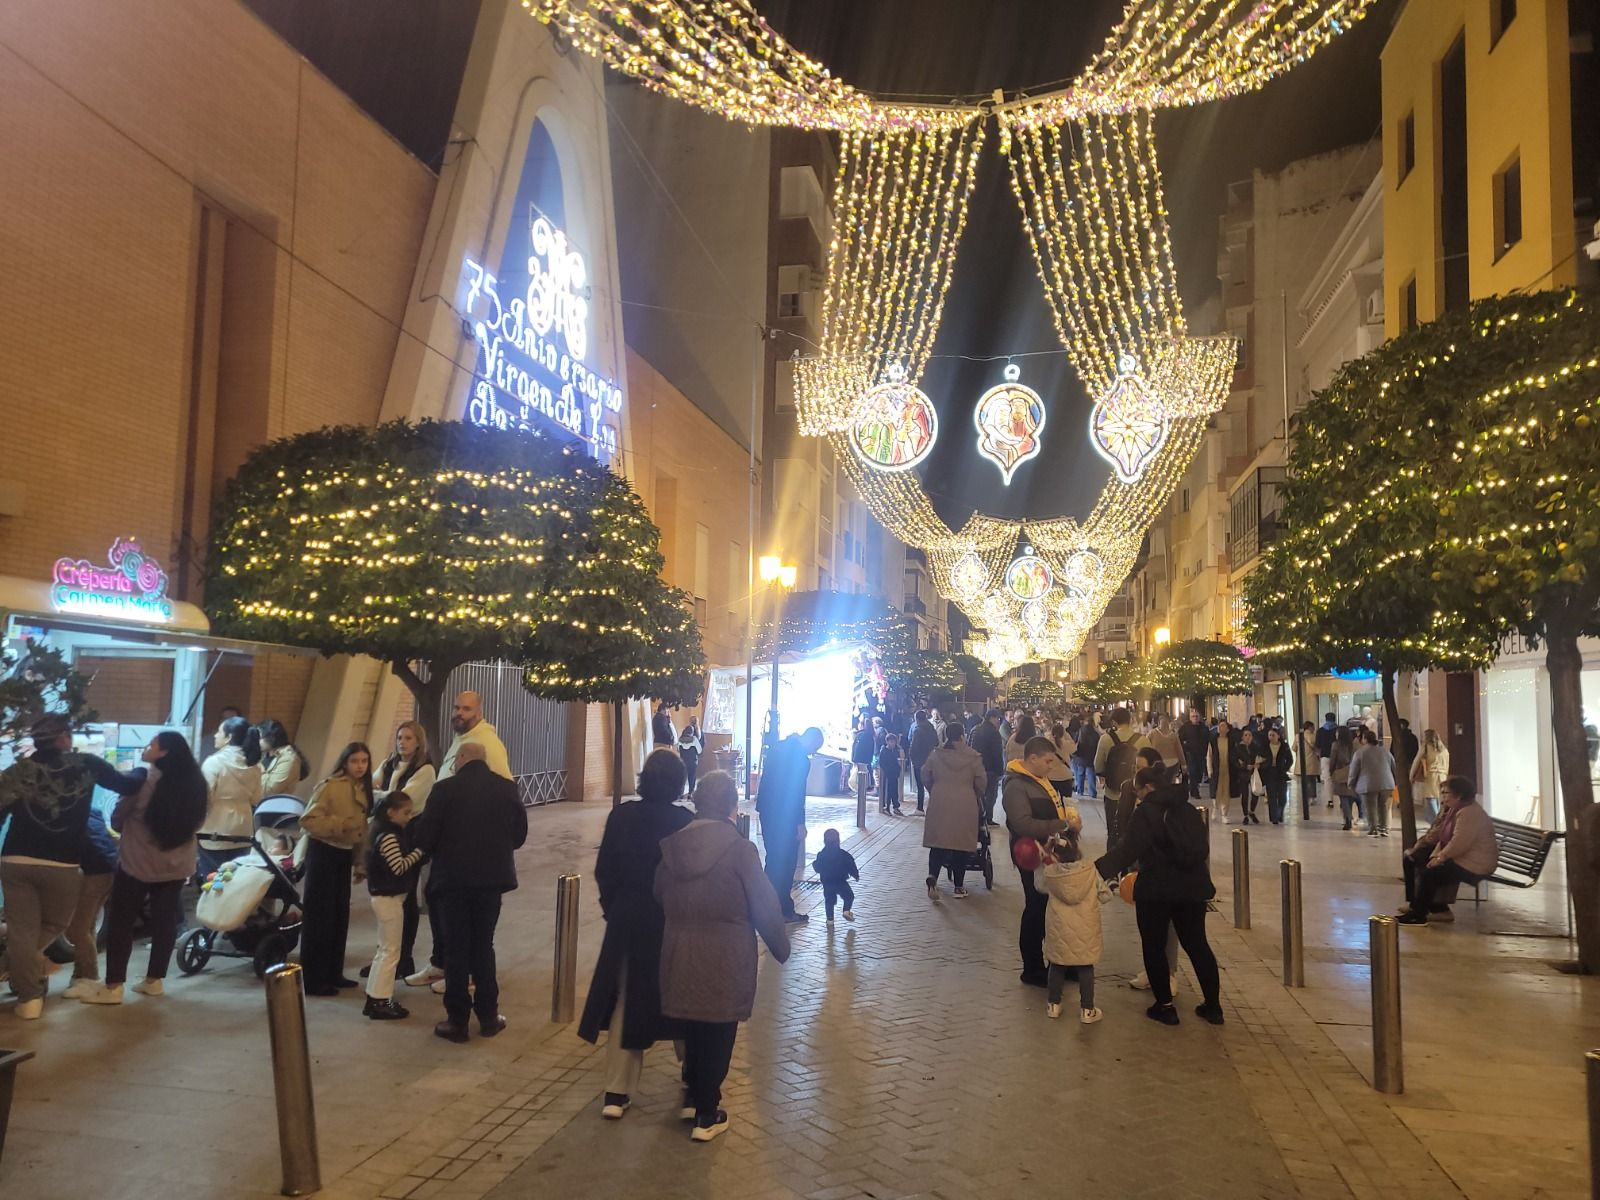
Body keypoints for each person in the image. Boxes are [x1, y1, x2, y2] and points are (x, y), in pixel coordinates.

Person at [655, 771, 791, 1142]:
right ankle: (706, 1112)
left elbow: (659, 892)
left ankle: (693, 1094)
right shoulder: (740, 849)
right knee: (718, 1031)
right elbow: (763, 903)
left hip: (681, 949)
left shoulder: (673, 846)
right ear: (732, 806)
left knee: (692, 1025)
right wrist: (780, 945)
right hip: (725, 954)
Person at [0, 714, 141, 1019]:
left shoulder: (18, 771)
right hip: (61, 862)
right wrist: (146, 771)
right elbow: (126, 784)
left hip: (14, 859)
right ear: (63, 737)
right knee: (55, 925)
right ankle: (16, 967)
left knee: (22, 932)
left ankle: (29, 1001)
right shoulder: (85, 764)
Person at [578, 749, 694, 1117]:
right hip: (672, 923)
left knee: (627, 1005)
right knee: (683, 1002)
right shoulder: (685, 822)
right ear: (679, 783)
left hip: (628, 923)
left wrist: (615, 910)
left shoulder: (622, 816)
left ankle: (616, 1092)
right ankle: (694, 1081)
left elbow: (604, 869)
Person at [411, 742, 527, 1041]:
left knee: (456, 949)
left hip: (452, 882)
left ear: (461, 759)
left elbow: (426, 836)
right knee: (483, 946)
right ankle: (489, 1017)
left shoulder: (444, 789)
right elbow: (519, 835)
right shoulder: (506, 789)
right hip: (491, 881)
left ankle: (457, 1020)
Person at [84, 732, 207, 1005]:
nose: (146, 747)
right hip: (177, 864)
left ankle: (114, 986)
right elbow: (198, 822)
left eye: (151, 744)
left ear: (163, 753)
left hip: (138, 862)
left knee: (121, 921)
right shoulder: (196, 782)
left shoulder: (142, 780)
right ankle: (155, 981)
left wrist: (122, 825)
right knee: (164, 919)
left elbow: (118, 819)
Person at [1095, 780, 1223, 1025]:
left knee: (1154, 946)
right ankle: (1213, 1007)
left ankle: (1165, 1007)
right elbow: (1202, 848)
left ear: (1148, 787)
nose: (1137, 796)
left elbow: (1127, 850)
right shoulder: (1187, 809)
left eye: (1137, 790)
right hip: (1192, 888)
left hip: (1156, 890)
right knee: (1197, 945)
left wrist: (1096, 870)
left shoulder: (1145, 812)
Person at [1002, 735, 1081, 987]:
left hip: (1050, 851)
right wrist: (1063, 824)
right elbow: (1022, 823)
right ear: (1032, 758)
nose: (1050, 766)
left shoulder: (1039, 779)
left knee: (1052, 909)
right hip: (1032, 854)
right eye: (1047, 761)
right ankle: (1033, 968)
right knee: (1036, 908)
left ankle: (1059, 964)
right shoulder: (1016, 786)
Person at [299, 742, 375, 995]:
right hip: (324, 852)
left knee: (339, 916)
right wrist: (340, 824)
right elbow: (309, 820)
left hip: (343, 854)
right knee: (319, 918)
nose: (360, 766)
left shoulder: (363, 789)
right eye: (355, 761)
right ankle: (313, 978)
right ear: (345, 762)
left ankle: (333, 972)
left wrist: (359, 862)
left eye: (364, 761)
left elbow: (361, 829)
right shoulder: (331, 786)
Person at [373, 720, 436, 984]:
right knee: (388, 895)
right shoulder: (389, 764)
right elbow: (373, 789)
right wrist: (382, 794)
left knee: (406, 898)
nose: (402, 742)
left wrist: (382, 795)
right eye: (400, 737)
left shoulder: (425, 770)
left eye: (409, 738)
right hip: (384, 832)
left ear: (418, 742)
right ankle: (384, 954)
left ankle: (403, 957)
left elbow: (399, 801)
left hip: (409, 835)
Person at [1398, 776, 1498, 925]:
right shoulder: (1455, 810)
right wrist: (1435, 856)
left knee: (1430, 874)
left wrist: (1441, 858)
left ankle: (1418, 915)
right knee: (1419, 861)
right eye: (1442, 793)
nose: (1443, 797)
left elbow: (1460, 843)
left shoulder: (1469, 813)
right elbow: (1443, 837)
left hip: (1476, 864)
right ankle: (1420, 906)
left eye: (1446, 793)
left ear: (1459, 795)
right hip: (1464, 858)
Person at [362, 790, 424, 1020]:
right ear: (391, 813)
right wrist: (419, 852)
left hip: (385, 899)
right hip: (388, 899)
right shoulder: (389, 837)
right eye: (405, 813)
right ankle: (381, 1001)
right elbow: (398, 866)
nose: (409, 817)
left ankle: (374, 997)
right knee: (390, 953)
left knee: (384, 951)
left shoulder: (382, 833)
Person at [1038, 827, 1107, 1024]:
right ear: (1077, 852)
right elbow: (1105, 895)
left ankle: (1053, 1005)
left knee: (1057, 965)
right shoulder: (1090, 871)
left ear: (1055, 855)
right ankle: (1087, 1009)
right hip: (1086, 931)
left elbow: (1038, 885)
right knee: (1085, 967)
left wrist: (1043, 858)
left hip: (1059, 930)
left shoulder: (1050, 875)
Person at [755, 726, 823, 923]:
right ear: (811, 741)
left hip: (767, 811)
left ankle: (765, 906)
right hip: (784, 817)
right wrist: (799, 823)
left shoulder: (779, 747)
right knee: (785, 864)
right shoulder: (800, 759)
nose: (814, 752)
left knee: (774, 860)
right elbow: (795, 792)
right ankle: (782, 910)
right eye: (815, 748)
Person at [58, 805, 118, 999]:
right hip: (108, 867)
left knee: (77, 928)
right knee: (87, 923)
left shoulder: (61, 814)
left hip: (95, 871)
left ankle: (89, 979)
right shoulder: (88, 809)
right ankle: (81, 975)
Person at [922, 722, 985, 900]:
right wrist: (975, 795)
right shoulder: (973, 757)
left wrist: (933, 789)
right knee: (961, 846)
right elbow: (981, 781)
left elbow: (925, 774)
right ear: (962, 735)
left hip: (939, 800)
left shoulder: (936, 754)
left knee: (938, 843)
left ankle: (933, 877)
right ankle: (958, 887)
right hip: (965, 802)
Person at [199, 715, 263, 873]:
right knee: (234, 879)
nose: (215, 735)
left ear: (228, 738)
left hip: (214, 827)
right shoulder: (254, 765)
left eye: (219, 732)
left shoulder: (214, 762)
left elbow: (203, 797)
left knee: (212, 880)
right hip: (243, 828)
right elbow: (257, 798)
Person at [437, 691, 512, 781]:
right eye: (456, 708)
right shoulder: (460, 737)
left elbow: (505, 786)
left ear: (479, 714)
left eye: (466, 709)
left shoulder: (488, 742)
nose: (459, 713)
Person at [1108, 746, 1165, 851]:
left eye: (1142, 768)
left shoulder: (1163, 795)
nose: (1137, 773)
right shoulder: (1127, 787)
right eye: (1136, 767)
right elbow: (1119, 821)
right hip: (1126, 850)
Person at [1347, 728, 1396, 838]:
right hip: (1386, 783)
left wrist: (1351, 783)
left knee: (1370, 807)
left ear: (1364, 739)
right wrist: (1394, 781)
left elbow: (1354, 769)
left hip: (1367, 784)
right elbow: (1393, 766)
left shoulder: (1360, 753)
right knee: (1382, 806)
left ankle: (1373, 829)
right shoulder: (1385, 751)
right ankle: (1384, 828)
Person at [1094, 707, 1148, 800]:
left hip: (1112, 793)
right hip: (1136, 794)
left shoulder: (1105, 739)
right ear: (1130, 720)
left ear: (1114, 722)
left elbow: (1097, 766)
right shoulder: (1143, 740)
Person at [813, 829, 859, 925]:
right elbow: (851, 865)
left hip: (827, 882)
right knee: (849, 896)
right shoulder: (844, 854)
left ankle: (830, 920)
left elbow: (817, 867)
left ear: (824, 841)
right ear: (838, 841)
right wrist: (855, 875)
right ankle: (846, 911)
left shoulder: (821, 855)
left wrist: (814, 864)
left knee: (829, 901)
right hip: (841, 881)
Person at [257, 719, 310, 799]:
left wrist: (256, 767)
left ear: (270, 738)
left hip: (272, 806)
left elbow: (269, 791)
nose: (256, 741)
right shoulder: (264, 754)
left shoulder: (289, 759)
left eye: (259, 738)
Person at [971, 710, 1006, 826]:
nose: (998, 722)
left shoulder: (975, 729)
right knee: (991, 795)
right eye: (998, 719)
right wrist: (1000, 771)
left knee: (979, 794)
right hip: (990, 769)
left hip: (976, 767)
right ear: (992, 718)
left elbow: (969, 748)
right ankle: (988, 818)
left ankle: (978, 818)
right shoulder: (993, 732)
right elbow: (997, 753)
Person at [1259, 726, 1294, 824]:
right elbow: (1260, 757)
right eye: (1269, 735)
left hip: (1281, 772)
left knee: (1282, 796)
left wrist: (1285, 768)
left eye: (1273, 735)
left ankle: (1280, 812)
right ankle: (1274, 817)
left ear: (1278, 736)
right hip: (1269, 772)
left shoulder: (1284, 746)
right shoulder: (1265, 746)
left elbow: (1290, 759)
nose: (1271, 737)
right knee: (1272, 796)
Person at [1414, 728, 1450, 819]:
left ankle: (1436, 821)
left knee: (1430, 798)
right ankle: (1440, 818)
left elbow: (1417, 761)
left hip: (1431, 775)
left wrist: (1411, 775)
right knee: (1439, 798)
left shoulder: (1426, 747)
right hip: (1443, 776)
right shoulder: (1444, 749)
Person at [907, 710, 938, 813]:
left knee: (920, 785)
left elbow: (914, 747)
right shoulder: (931, 728)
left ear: (916, 719)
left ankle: (920, 808)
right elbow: (937, 742)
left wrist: (911, 757)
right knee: (930, 784)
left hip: (919, 761)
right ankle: (934, 806)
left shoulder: (917, 730)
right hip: (930, 759)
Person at [1331, 726, 1360, 830]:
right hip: (1352, 772)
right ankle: (1350, 816)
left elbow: (1333, 760)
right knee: (1350, 796)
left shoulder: (1336, 745)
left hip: (1340, 771)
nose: (1335, 734)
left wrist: (1331, 771)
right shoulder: (1354, 745)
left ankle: (1347, 818)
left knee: (1343, 797)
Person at [1177, 709, 1210, 799]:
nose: (1195, 718)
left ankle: (1194, 788)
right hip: (1190, 754)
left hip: (1201, 754)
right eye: (1193, 716)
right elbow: (1179, 740)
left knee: (1199, 773)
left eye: (1196, 716)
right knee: (1193, 772)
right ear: (1190, 718)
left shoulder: (1203, 728)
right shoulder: (1185, 727)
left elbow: (1208, 739)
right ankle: (1194, 791)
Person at [1235, 727, 1263, 825]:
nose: (1248, 737)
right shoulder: (1238, 747)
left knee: (1255, 792)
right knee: (1245, 794)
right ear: (1242, 737)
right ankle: (1245, 814)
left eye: (1250, 735)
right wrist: (1244, 766)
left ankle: (1252, 811)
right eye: (1246, 735)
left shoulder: (1255, 747)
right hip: (1243, 774)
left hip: (1254, 773)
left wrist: (1257, 764)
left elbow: (1260, 758)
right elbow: (1236, 761)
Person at [850, 714, 876, 815]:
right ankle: (864, 789)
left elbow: (857, 748)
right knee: (866, 775)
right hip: (867, 759)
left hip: (861, 759)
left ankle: (861, 791)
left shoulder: (861, 735)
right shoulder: (870, 735)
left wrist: (854, 759)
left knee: (860, 776)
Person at [1071, 715, 1101, 799]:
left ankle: (1080, 791)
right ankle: (1093, 792)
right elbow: (1098, 745)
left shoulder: (1080, 731)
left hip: (1081, 756)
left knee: (1080, 774)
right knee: (1091, 774)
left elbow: (1075, 741)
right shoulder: (1095, 733)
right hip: (1091, 756)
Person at [1296, 721, 1321, 818]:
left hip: (1302, 762)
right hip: (1312, 761)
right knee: (1312, 780)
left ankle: (1305, 796)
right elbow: (1317, 747)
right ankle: (1312, 797)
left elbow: (1294, 748)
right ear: (1310, 727)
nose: (1314, 729)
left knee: (1305, 780)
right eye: (1313, 727)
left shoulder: (1298, 736)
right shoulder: (1314, 736)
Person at [877, 732, 904, 815]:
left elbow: (896, 762)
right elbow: (882, 763)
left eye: (894, 742)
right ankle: (886, 807)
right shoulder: (884, 751)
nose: (893, 744)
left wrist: (898, 770)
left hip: (894, 774)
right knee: (887, 792)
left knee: (894, 791)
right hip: (887, 775)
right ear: (887, 742)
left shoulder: (895, 751)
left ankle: (896, 807)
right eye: (891, 742)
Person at [677, 717, 704, 795]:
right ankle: (690, 793)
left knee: (683, 778)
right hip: (692, 762)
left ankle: (680, 793)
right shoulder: (694, 739)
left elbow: (678, 750)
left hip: (683, 761)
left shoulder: (680, 740)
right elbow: (699, 751)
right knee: (692, 777)